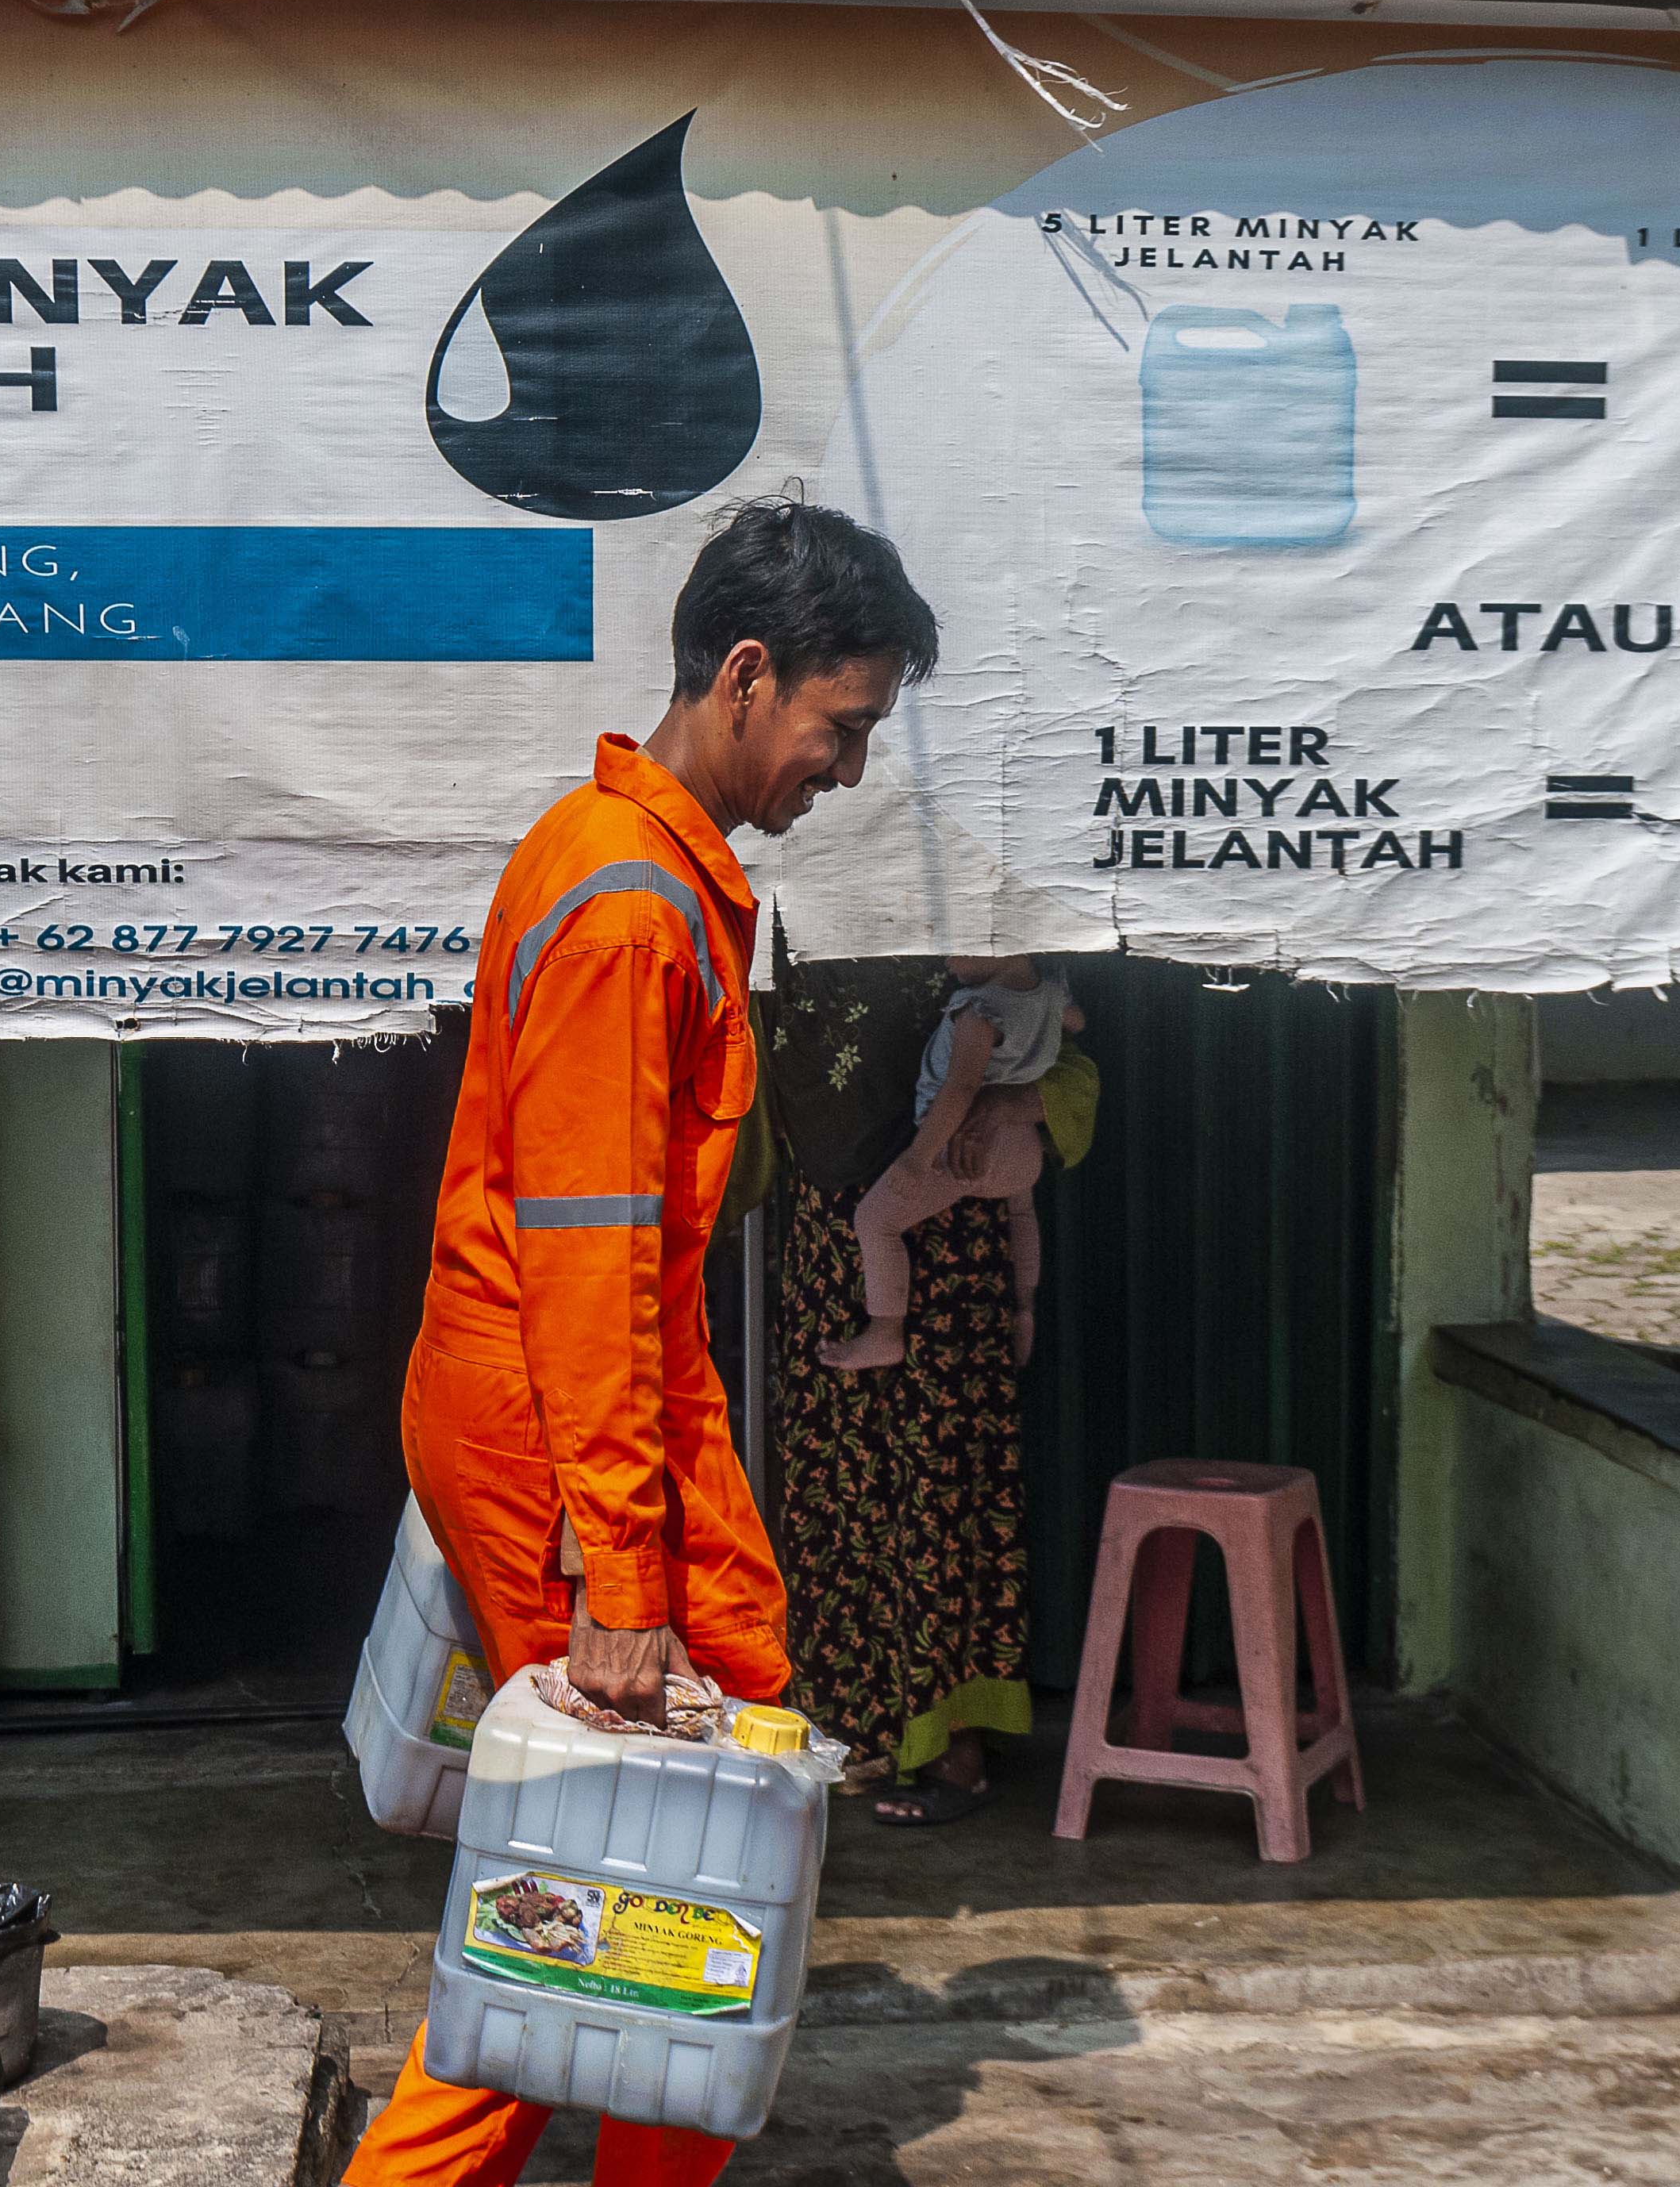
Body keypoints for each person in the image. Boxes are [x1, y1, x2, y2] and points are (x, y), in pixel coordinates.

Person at [347, 498, 938, 2187]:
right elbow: (590, 1263)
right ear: (745, 678)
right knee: (614, 1867)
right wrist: (618, 1574)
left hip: (562, 1405)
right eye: (840, 724)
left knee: (650, 1845)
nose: (845, 766)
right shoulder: (624, 909)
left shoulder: (629, 861)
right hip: (561, 1421)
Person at [815, 957, 1078, 1374]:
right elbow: (1076, 1023)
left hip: (963, 1149)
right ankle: (1025, 1304)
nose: (948, 962)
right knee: (1022, 1211)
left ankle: (885, 1333)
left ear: (996, 944)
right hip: (1022, 1147)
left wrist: (916, 1159)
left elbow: (960, 1089)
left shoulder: (980, 1012)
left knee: (875, 1219)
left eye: (956, 946)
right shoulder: (1051, 991)